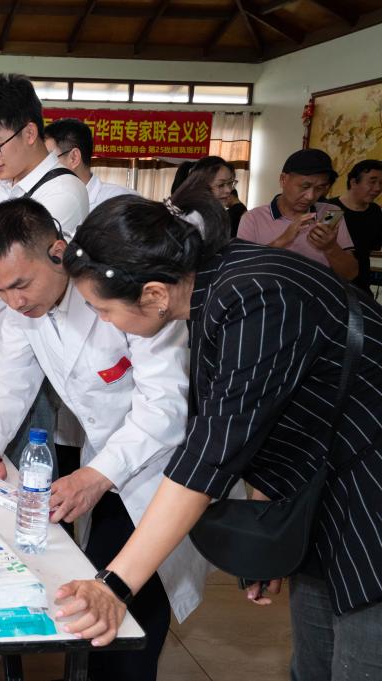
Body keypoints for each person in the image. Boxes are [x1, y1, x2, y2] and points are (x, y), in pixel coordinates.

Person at [56, 180, 382, 679]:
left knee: (360, 661)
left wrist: (114, 585)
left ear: (154, 294)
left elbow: (209, 454)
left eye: (104, 310)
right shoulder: (222, 286)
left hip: (369, 494)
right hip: (324, 487)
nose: (105, 323)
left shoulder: (256, 296)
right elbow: (267, 417)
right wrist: (268, 526)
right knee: (314, 664)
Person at [0, 197, 205, 681]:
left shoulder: (126, 287)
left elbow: (164, 407)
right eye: (0, 290)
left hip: (162, 471)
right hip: (103, 464)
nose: (14, 302)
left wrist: (96, 475)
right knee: (98, 593)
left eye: (20, 285)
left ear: (57, 252)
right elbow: (11, 379)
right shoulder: (23, 308)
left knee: (134, 604)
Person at [0, 72, 89, 468]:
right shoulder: (2, 186)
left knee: (30, 469)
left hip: (33, 354)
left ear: (30, 132)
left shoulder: (62, 191)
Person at [238, 148, 357, 280]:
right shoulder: (253, 218)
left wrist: (330, 248)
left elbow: (350, 274)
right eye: (305, 186)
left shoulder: (330, 214)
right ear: (283, 179)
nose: (310, 196)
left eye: (319, 188)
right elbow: (241, 271)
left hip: (319, 292)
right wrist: (282, 240)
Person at [42, 117, 137, 211]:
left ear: (74, 158)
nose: (43, 167)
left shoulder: (122, 202)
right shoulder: (46, 200)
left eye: (49, 159)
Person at [327, 159, 382, 292]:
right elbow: (320, 244)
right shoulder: (332, 210)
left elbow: (375, 245)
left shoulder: (375, 210)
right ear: (353, 182)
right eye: (372, 182)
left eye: (381, 183)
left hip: (362, 285)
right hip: (333, 283)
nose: (378, 188)